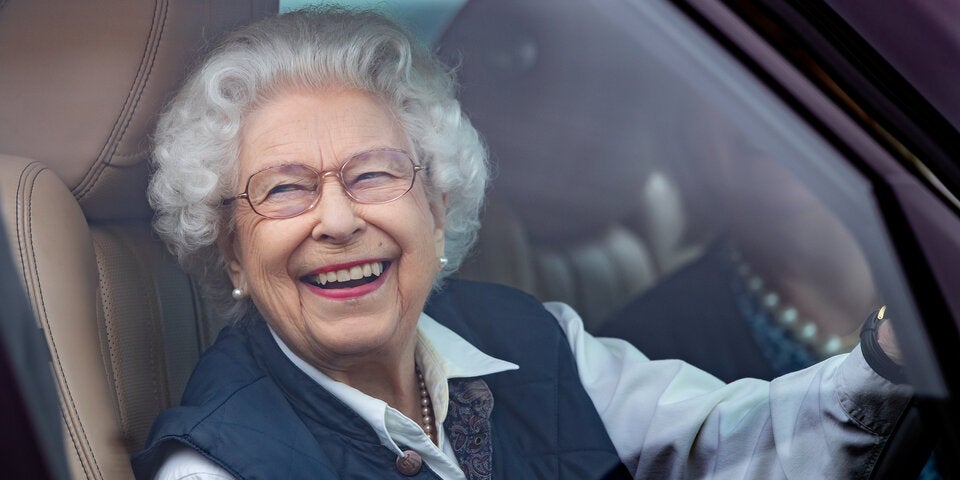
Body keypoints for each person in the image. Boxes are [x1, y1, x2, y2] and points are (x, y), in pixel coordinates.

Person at [133, 8, 912, 479]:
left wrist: (894, 352)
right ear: (233, 251)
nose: (336, 220)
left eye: (374, 174)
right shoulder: (219, 464)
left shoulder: (535, 342)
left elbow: (734, 449)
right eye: (285, 187)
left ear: (438, 208)